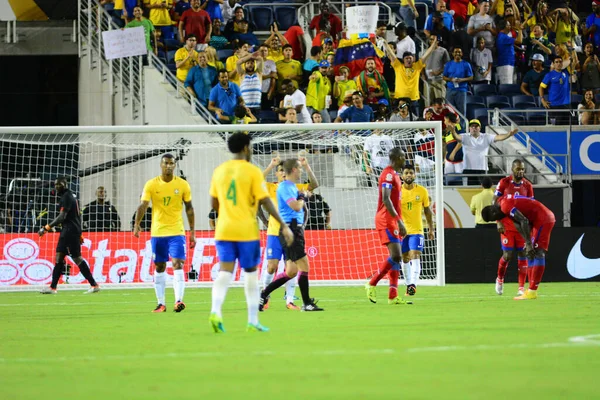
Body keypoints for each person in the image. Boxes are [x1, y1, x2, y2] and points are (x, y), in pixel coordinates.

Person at [208, 133, 293, 333]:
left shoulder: (219, 171)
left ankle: (215, 311)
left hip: (224, 229)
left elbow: (213, 203)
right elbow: (265, 201)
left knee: (224, 272)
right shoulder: (252, 171)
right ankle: (253, 321)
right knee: (250, 275)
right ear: (246, 148)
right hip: (245, 230)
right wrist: (283, 224)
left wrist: (228, 212)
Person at [259, 158, 325, 312]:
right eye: (300, 168)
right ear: (294, 170)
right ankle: (307, 303)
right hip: (287, 230)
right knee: (286, 266)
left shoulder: (293, 186)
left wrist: (307, 167)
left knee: (291, 271)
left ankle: (265, 294)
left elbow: (313, 185)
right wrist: (302, 197)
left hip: (290, 229)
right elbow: (295, 206)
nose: (300, 171)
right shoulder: (279, 187)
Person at [133, 154, 196, 313]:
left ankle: (178, 301)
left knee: (178, 264)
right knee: (159, 266)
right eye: (166, 163)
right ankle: (161, 303)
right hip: (158, 232)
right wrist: (137, 224)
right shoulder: (151, 184)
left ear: (175, 166)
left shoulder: (182, 185)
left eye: (171, 163)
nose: (169, 166)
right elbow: (143, 205)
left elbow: (189, 208)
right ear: (161, 165)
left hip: (177, 231)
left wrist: (192, 231)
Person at [481, 195, 556, 300]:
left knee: (538, 252)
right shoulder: (502, 205)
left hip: (543, 218)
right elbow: (518, 223)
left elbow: (524, 221)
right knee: (530, 253)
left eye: (494, 219)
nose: (497, 220)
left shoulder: (505, 206)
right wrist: (527, 242)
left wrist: (529, 244)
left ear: (494, 212)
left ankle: (532, 291)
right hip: (537, 220)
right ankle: (530, 289)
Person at [364, 148, 412, 305]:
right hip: (386, 219)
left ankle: (393, 295)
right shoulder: (388, 174)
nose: (405, 160)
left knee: (397, 257)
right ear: (397, 158)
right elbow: (386, 199)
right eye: (403, 157)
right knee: (396, 255)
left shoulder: (396, 175)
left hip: (393, 219)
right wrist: (398, 220)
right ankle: (371, 283)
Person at [39, 177, 100, 294]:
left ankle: (94, 284)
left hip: (69, 232)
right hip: (70, 231)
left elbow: (62, 217)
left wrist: (46, 228)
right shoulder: (71, 195)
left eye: (59, 184)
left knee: (76, 258)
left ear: (65, 184)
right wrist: (79, 233)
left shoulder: (66, 197)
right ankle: (53, 287)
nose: (57, 187)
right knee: (59, 257)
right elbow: (77, 216)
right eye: (55, 185)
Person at [493, 159, 534, 296]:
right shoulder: (504, 182)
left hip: (521, 226)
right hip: (506, 225)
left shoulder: (528, 186)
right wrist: (498, 221)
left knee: (523, 254)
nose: (521, 171)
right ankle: (500, 279)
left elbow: (531, 207)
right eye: (518, 169)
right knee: (508, 255)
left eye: (522, 169)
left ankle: (521, 288)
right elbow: (495, 202)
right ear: (512, 169)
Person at [398, 165, 435, 296]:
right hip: (402, 232)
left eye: (411, 173)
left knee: (415, 255)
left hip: (417, 230)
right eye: (406, 173)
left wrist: (431, 229)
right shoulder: (397, 192)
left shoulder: (422, 191)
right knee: (405, 258)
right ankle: (408, 284)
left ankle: (413, 284)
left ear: (415, 175)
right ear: (402, 176)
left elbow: (428, 211)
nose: (409, 175)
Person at [451, 120, 517, 185]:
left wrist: (508, 134)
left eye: (476, 126)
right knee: (468, 191)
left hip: (482, 169)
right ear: (469, 128)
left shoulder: (486, 137)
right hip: (468, 169)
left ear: (480, 128)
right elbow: (456, 137)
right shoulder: (464, 136)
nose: (474, 128)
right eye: (472, 126)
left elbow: (499, 137)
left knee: (482, 190)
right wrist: (453, 131)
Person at [443, 47, 473, 118]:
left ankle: (461, 128)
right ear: (453, 54)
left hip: (461, 90)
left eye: (459, 52)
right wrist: (451, 79)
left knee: (461, 112)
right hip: (450, 90)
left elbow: (471, 77)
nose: (457, 53)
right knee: (449, 110)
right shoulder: (448, 64)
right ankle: (450, 127)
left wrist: (461, 80)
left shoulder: (466, 64)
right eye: (456, 52)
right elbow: (444, 77)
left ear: (462, 54)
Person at [540, 56, 571, 125]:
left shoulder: (566, 72)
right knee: (556, 128)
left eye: (560, 62)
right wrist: (542, 100)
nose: (558, 63)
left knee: (568, 128)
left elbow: (572, 61)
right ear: (553, 64)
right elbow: (541, 87)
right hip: (554, 105)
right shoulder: (549, 75)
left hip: (566, 105)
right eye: (556, 62)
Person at [495, 18, 523, 84]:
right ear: (505, 26)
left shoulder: (503, 36)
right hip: (505, 65)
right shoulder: (503, 37)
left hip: (508, 64)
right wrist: (520, 29)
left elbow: (512, 44)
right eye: (509, 25)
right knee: (506, 87)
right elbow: (519, 41)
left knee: (511, 87)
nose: (510, 27)